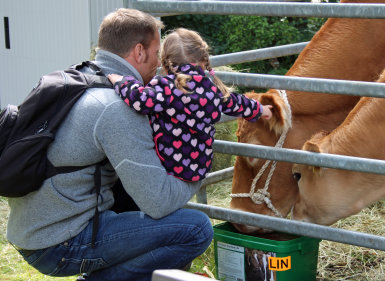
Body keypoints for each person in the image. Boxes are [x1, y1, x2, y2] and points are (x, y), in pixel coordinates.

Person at [6, 8, 213, 281]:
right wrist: (200, 166)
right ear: (139, 52)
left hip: (34, 230)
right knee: (196, 228)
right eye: (157, 54)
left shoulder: (78, 77)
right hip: (59, 244)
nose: (163, 65)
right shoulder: (117, 108)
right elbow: (159, 204)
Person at [108, 28, 273, 182]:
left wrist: (122, 80)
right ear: (203, 60)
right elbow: (237, 103)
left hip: (169, 166)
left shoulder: (165, 86)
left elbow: (139, 100)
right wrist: (260, 109)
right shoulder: (212, 88)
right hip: (200, 168)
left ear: (165, 63)